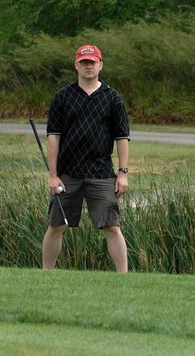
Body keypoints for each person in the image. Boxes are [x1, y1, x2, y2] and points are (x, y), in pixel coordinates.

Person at [42, 44, 131, 272]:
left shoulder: (112, 98)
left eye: (92, 62)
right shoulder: (63, 97)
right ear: (76, 65)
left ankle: (124, 277)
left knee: (112, 227)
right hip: (68, 174)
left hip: (101, 173)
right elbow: (54, 137)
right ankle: (45, 274)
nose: (88, 66)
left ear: (100, 64)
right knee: (56, 225)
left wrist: (123, 173)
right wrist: (53, 175)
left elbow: (122, 137)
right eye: (84, 62)